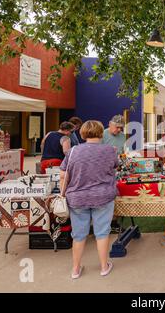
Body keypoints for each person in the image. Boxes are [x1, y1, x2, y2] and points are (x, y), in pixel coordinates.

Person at [60, 120, 118, 279]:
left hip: (78, 197)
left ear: (82, 133)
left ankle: (76, 269)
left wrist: (63, 194)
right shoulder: (110, 150)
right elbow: (114, 168)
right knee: (102, 232)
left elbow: (64, 175)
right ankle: (104, 266)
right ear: (101, 132)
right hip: (103, 196)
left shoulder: (73, 151)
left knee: (78, 234)